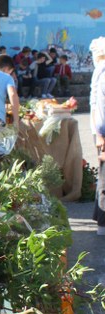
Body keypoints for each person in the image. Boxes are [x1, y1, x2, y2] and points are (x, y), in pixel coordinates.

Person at [89, 37, 105, 234]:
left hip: (100, 130)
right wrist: (100, 134)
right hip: (103, 130)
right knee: (104, 178)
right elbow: (100, 107)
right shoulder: (102, 71)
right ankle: (102, 223)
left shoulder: (99, 70)